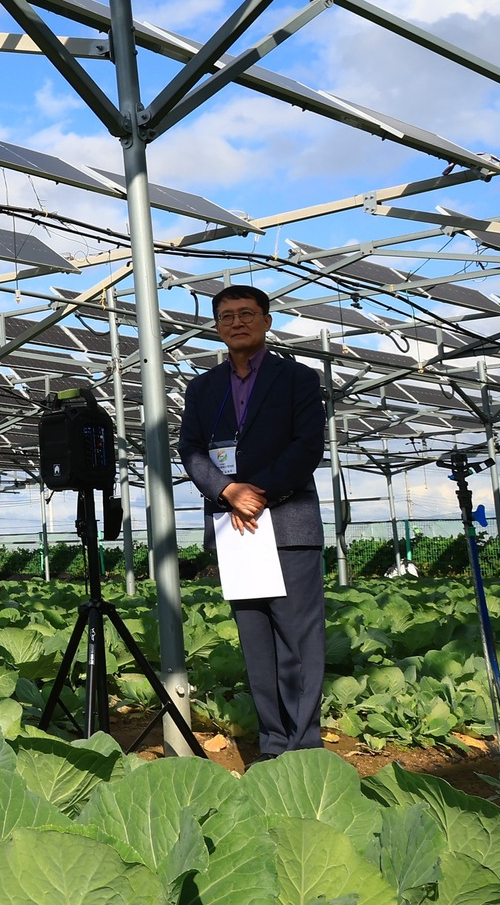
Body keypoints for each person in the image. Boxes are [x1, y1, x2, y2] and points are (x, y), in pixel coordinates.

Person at [177, 283, 328, 757]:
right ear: (217, 327)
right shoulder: (203, 388)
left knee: (298, 641)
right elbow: (192, 450)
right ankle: (273, 743)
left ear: (266, 320)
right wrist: (226, 490)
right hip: (235, 527)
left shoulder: (298, 379)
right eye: (226, 316)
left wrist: (256, 493)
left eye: (246, 313)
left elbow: (307, 447)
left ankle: (303, 746)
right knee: (256, 641)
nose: (236, 322)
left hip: (285, 523)